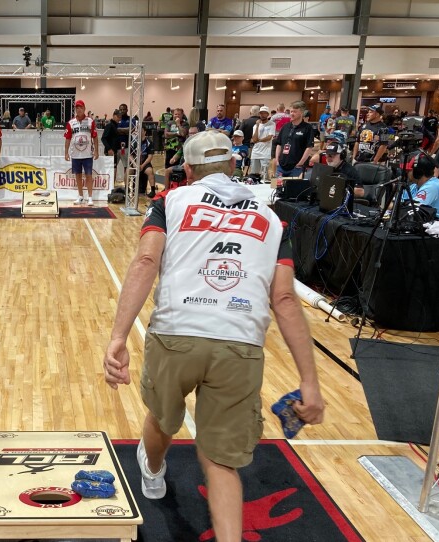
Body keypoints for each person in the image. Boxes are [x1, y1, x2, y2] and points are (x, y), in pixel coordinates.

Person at [103, 130, 324, 542]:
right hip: (241, 341)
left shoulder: (170, 201)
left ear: (187, 170)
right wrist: (309, 382)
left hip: (176, 332)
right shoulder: (273, 218)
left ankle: (152, 471)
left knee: (163, 418)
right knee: (222, 461)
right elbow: (286, 301)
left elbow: (147, 258)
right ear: (235, 166)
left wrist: (118, 336)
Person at [64, 99, 99, 206]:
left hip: (88, 154)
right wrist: (66, 153)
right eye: (77, 108)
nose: (78, 109)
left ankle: (90, 198)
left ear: (84, 109)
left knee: (89, 176)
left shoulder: (90, 121)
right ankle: (80, 197)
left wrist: (97, 151)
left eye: (80, 107)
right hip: (75, 154)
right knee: (78, 176)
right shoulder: (71, 122)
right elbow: (68, 139)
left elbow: (95, 137)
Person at [400, 152, 439, 223]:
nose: (406, 173)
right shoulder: (414, 186)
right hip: (427, 222)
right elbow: (398, 203)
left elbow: (411, 209)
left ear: (418, 172)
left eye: (409, 170)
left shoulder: (432, 186)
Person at [275, 101, 315, 178]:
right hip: (281, 166)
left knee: (293, 189)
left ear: (302, 113)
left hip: (296, 168)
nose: (292, 114)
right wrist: (277, 160)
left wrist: (300, 163)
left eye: (295, 112)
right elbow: (279, 144)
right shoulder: (285, 127)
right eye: (291, 111)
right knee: (277, 188)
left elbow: (309, 147)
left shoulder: (307, 128)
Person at [250, 106, 275, 179]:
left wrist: (259, 140)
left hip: (265, 153)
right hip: (255, 152)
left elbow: (269, 137)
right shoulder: (255, 126)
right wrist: (258, 126)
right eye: (261, 113)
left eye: (264, 113)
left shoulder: (272, 124)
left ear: (268, 114)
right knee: (254, 174)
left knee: (264, 175)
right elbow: (254, 140)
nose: (262, 115)